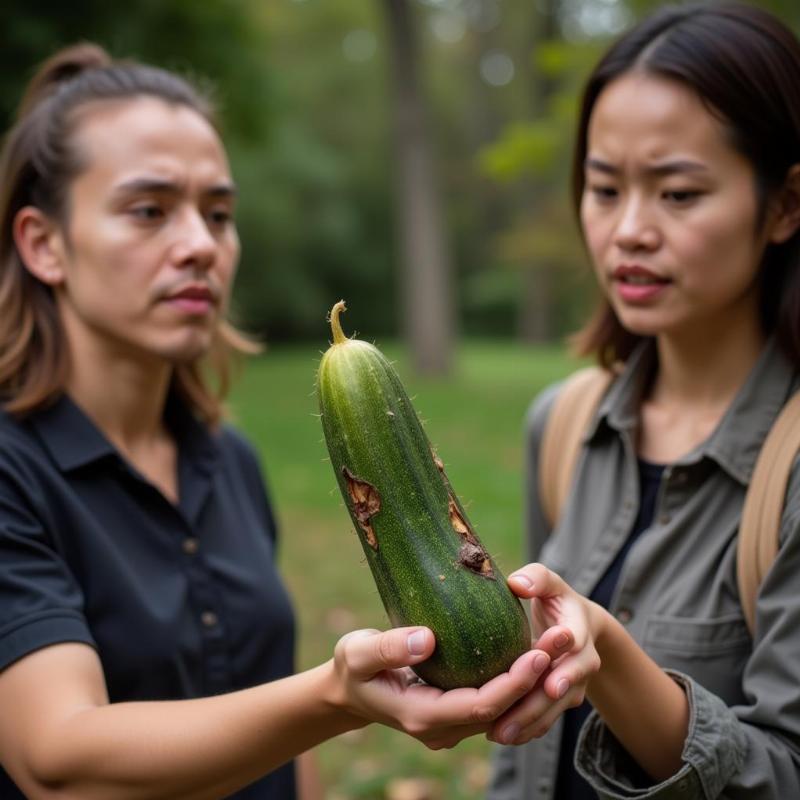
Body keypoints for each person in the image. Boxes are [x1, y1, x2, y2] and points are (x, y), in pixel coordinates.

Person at [0, 43, 575, 800]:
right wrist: (334, 699)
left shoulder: (227, 459)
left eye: (219, 213)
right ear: (44, 244)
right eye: (150, 210)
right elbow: (58, 763)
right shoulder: (15, 472)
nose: (202, 245)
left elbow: (268, 701)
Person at [486, 2, 800, 798]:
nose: (628, 230)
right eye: (603, 188)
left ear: (786, 205)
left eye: (678, 194)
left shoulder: (789, 469)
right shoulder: (560, 425)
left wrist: (616, 663)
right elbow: (521, 755)